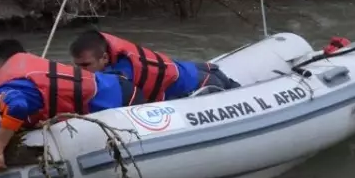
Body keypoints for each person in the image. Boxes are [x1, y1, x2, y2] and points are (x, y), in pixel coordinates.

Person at [0, 52, 141, 171]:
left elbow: (17, 108)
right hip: (116, 85)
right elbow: (4, 126)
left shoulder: (3, 93)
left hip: (123, 100)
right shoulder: (13, 78)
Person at [69, 30, 239, 103]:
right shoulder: (113, 59)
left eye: (86, 65)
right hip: (195, 70)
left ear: (105, 58)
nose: (81, 72)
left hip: (203, 83)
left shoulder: (122, 73)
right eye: (77, 66)